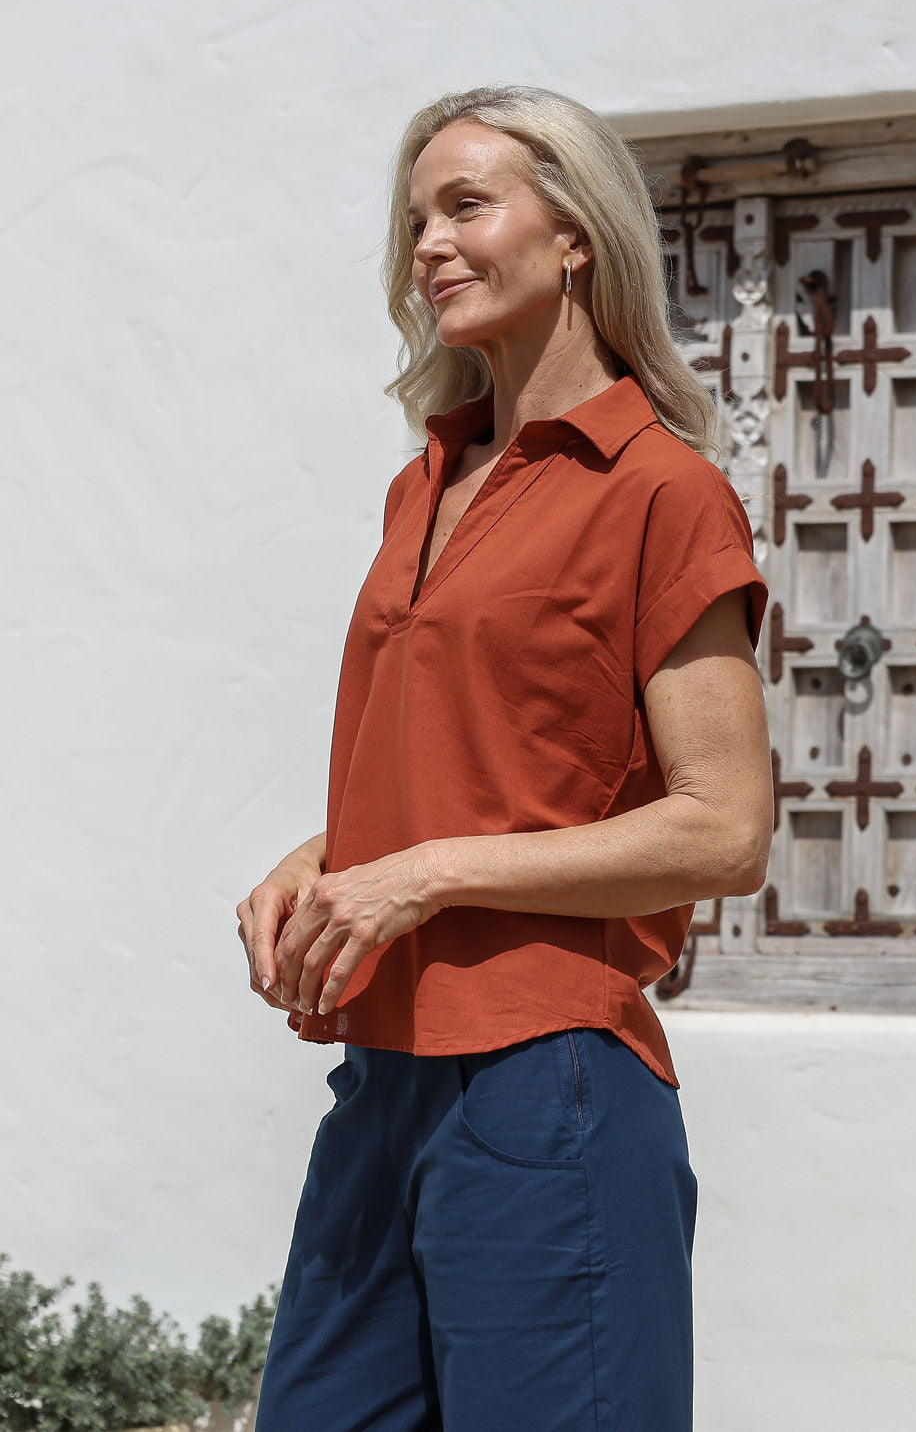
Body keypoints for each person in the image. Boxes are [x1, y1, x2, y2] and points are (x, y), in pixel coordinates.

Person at [237, 84, 773, 1432]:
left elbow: (723, 829)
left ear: (577, 234)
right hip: (382, 1075)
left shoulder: (659, 488)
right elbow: (470, 766)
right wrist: (326, 864)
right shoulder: (424, 481)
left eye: (467, 204)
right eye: (416, 217)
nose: (427, 242)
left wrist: (419, 875)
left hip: (550, 1083)